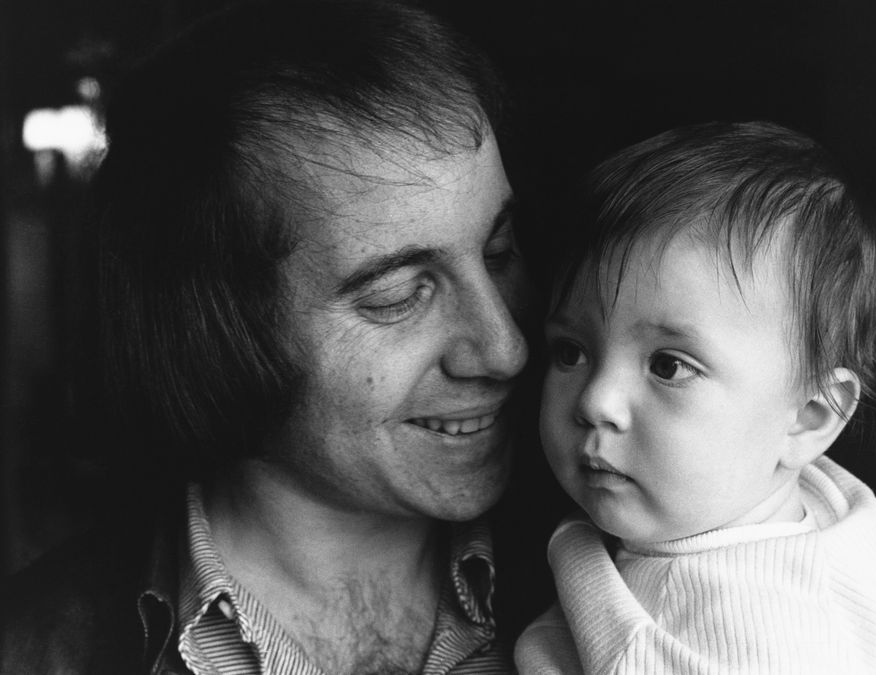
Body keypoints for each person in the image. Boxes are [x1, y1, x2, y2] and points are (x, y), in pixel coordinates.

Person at [1, 1, 532, 672]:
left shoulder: (637, 571)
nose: (505, 345)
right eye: (397, 295)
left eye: (501, 249)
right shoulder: (31, 650)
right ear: (218, 330)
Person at [514, 122, 876, 674]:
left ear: (811, 416)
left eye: (668, 366)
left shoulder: (719, 641)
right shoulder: (828, 508)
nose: (596, 401)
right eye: (571, 351)